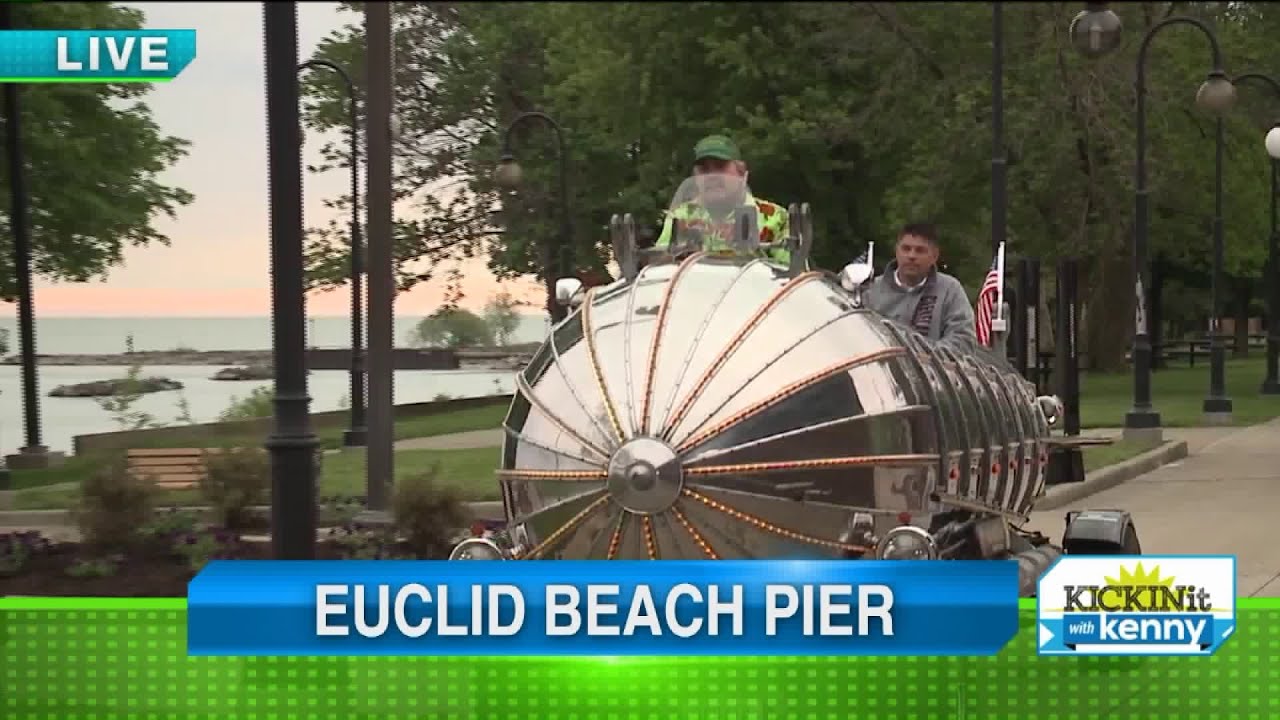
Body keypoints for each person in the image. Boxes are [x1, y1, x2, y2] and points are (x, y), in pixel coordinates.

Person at [653, 134, 793, 265]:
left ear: (742, 174)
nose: (712, 176)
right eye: (704, 169)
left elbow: (792, 276)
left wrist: (753, 250)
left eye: (720, 167)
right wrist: (677, 249)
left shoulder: (775, 216)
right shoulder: (682, 214)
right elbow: (658, 267)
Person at [863, 222, 978, 352]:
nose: (912, 256)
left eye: (920, 250)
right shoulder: (870, 290)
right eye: (906, 249)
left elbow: (963, 340)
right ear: (897, 251)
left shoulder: (950, 290)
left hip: (931, 370)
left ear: (934, 256)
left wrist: (923, 354)